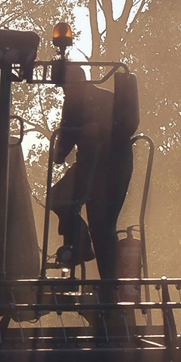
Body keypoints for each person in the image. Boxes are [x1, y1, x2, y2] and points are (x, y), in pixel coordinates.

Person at [47, 65, 134, 279]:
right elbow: (64, 143)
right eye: (64, 88)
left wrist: (100, 130)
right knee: (57, 198)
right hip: (89, 167)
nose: (65, 92)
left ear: (79, 83)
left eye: (67, 87)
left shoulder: (107, 101)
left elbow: (126, 127)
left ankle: (109, 284)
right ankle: (81, 244)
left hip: (112, 169)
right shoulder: (73, 105)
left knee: (101, 224)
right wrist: (59, 152)